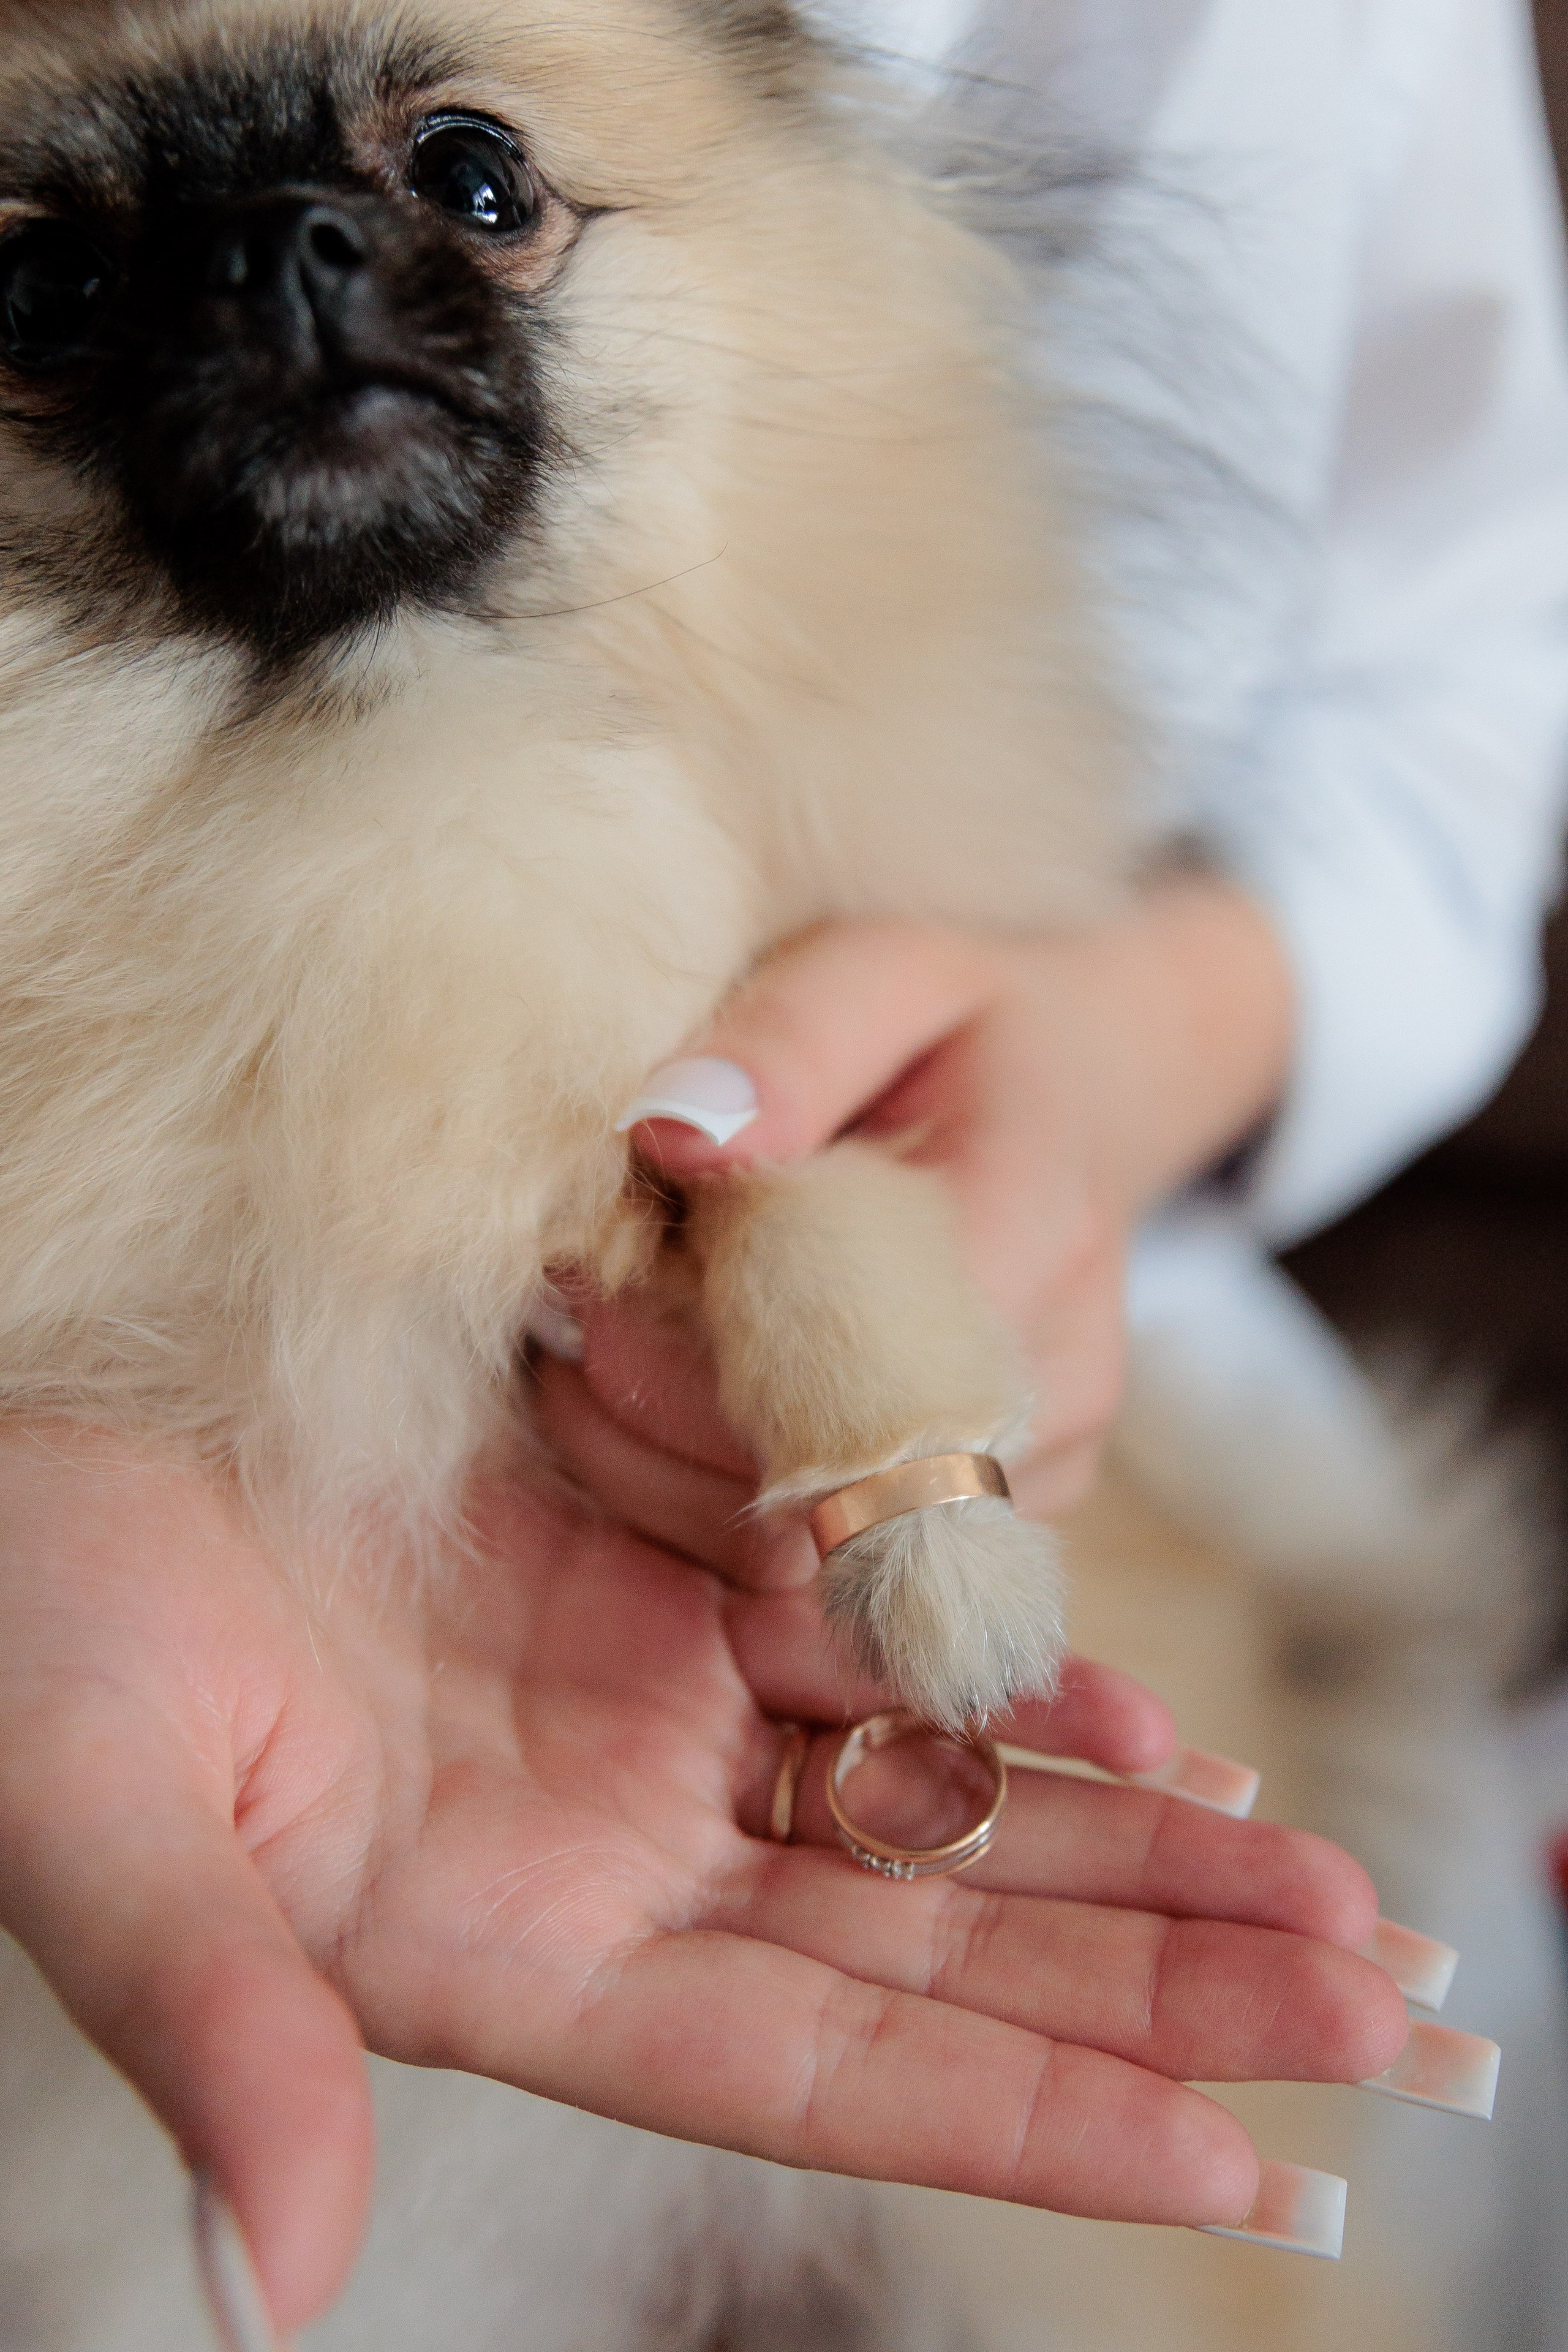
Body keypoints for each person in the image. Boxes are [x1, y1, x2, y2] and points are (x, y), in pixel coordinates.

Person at [2, 0, 1567, 2338]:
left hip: (1072, 1388)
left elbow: (1455, 695)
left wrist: (1096, 1048)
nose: (299, 275)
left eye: (471, 186)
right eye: (52, 297)